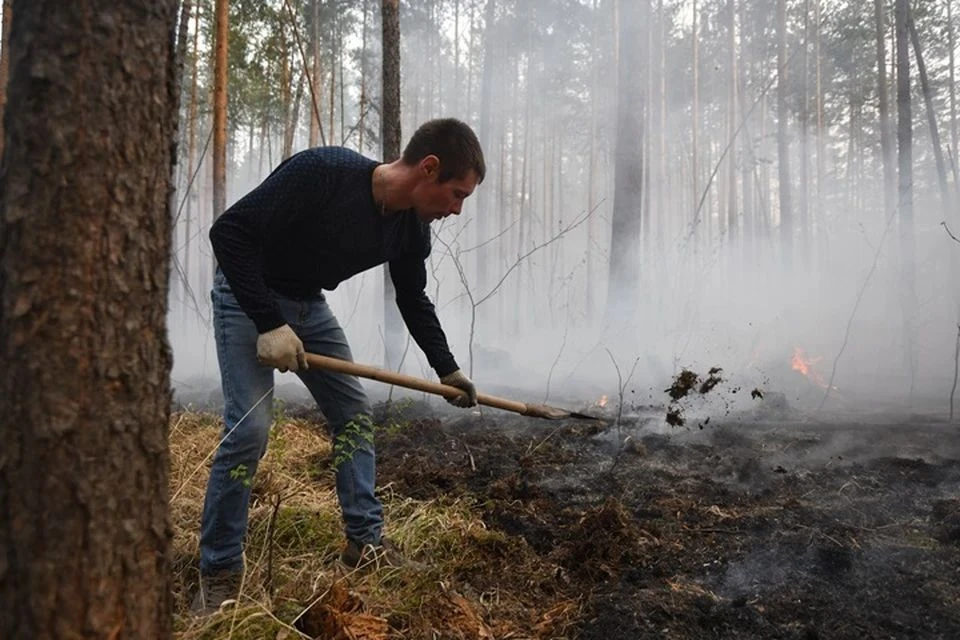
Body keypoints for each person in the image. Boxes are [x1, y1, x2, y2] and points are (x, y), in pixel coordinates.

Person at [191, 118, 484, 614]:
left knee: (353, 414)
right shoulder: (323, 172)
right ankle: (218, 569)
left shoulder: (411, 228)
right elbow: (230, 234)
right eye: (457, 194)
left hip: (307, 306)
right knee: (248, 430)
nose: (456, 210)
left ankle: (364, 545)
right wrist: (268, 322)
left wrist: (447, 370)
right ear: (428, 168)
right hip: (248, 299)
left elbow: (413, 298)